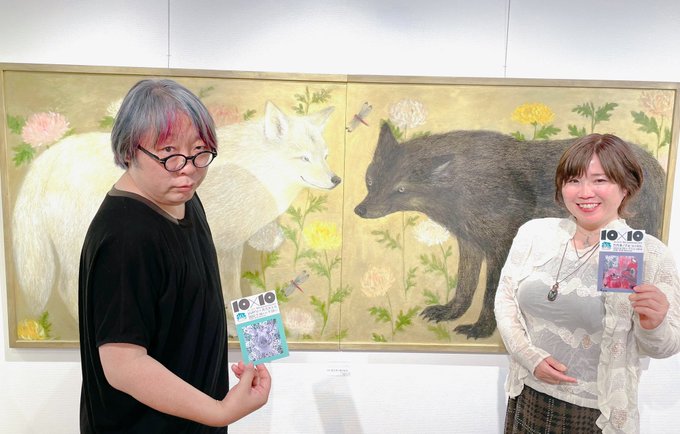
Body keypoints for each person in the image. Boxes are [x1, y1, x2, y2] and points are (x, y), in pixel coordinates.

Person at [78, 79, 271, 433]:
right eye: (168, 153)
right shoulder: (126, 237)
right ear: (129, 150)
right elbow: (123, 365)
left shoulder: (184, 198)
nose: (188, 169)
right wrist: (219, 411)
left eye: (199, 152)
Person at [494, 133, 680, 433]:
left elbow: (665, 347)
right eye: (573, 180)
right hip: (528, 392)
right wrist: (529, 357)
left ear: (626, 186)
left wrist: (653, 324)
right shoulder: (535, 233)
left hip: (596, 411)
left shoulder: (651, 255)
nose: (585, 192)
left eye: (600, 180)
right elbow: (505, 299)